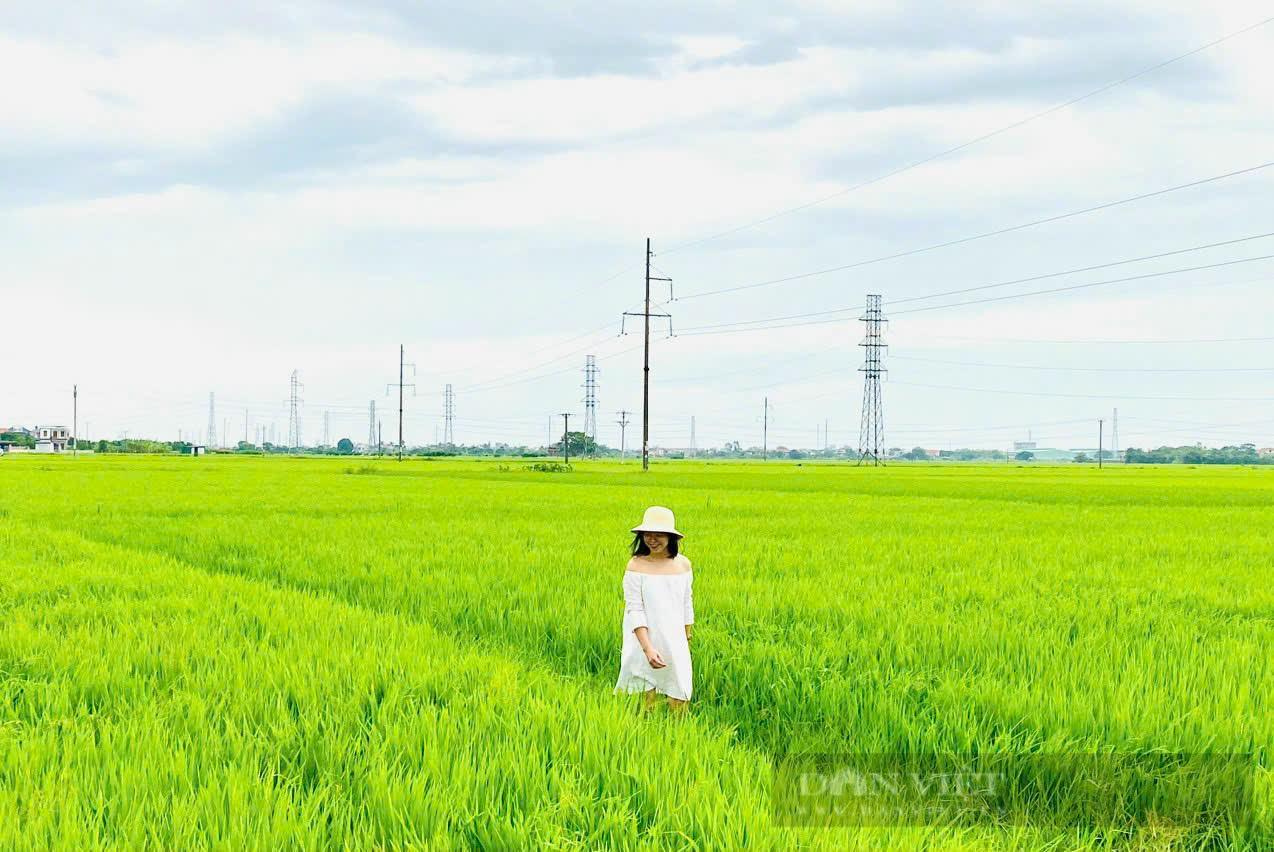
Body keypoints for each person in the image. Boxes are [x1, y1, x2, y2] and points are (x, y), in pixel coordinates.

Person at [614, 505, 694, 713]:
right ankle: (647, 736)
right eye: (647, 534)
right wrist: (647, 647)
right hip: (642, 637)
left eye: (658, 535)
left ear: (671, 538)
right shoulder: (636, 565)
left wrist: (686, 632)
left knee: (680, 691)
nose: (652, 540)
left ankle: (679, 738)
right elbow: (634, 609)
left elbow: (686, 600)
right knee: (644, 698)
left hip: (673, 636)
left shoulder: (683, 565)